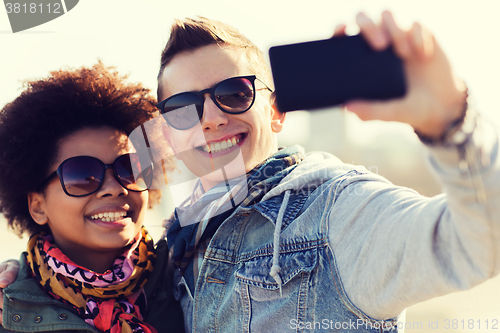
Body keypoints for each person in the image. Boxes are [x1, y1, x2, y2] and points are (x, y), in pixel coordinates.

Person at [2, 11, 500, 332]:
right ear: (168, 134)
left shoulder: (335, 211)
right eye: (182, 107)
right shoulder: (174, 255)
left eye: (234, 93)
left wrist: (451, 123)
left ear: (275, 112)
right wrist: (19, 283)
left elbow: (476, 243)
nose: (212, 117)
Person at [0, 63, 183, 332]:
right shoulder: (9, 311)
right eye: (83, 174)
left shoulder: (192, 277)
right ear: (38, 206)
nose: (115, 188)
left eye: (130, 169)